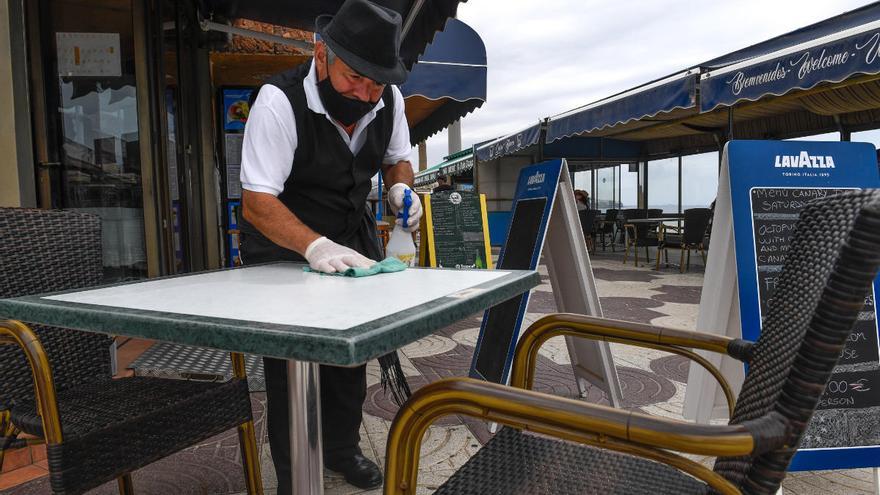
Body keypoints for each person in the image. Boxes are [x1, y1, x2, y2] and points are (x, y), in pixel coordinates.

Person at [237, 0, 420, 491]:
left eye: (375, 83)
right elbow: (256, 201)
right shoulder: (278, 100)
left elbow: (398, 159)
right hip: (281, 242)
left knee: (348, 354)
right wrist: (313, 247)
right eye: (353, 78)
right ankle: (294, 472)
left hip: (351, 236)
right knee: (292, 364)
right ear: (322, 56)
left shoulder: (391, 100)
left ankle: (341, 449)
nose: (364, 94)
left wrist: (402, 187)